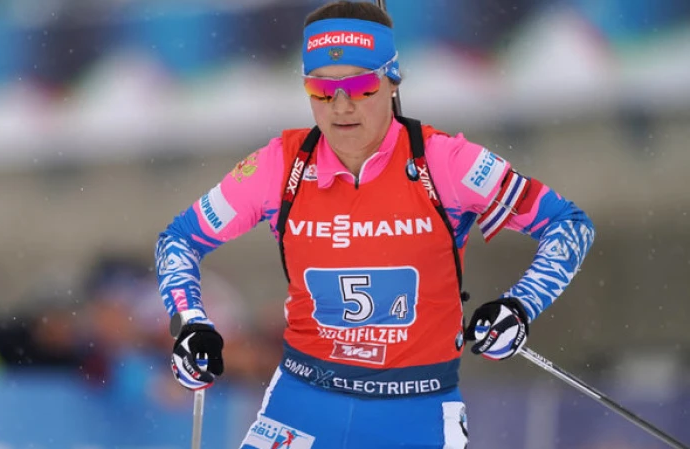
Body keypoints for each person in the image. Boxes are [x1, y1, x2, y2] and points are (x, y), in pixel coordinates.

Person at [155, 2, 595, 448]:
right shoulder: (279, 166)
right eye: (321, 90)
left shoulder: (444, 162)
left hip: (416, 410)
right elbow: (179, 239)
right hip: (303, 405)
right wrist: (192, 322)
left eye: (361, 86)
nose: (341, 106)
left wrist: (519, 306)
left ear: (392, 81)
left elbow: (568, 225)